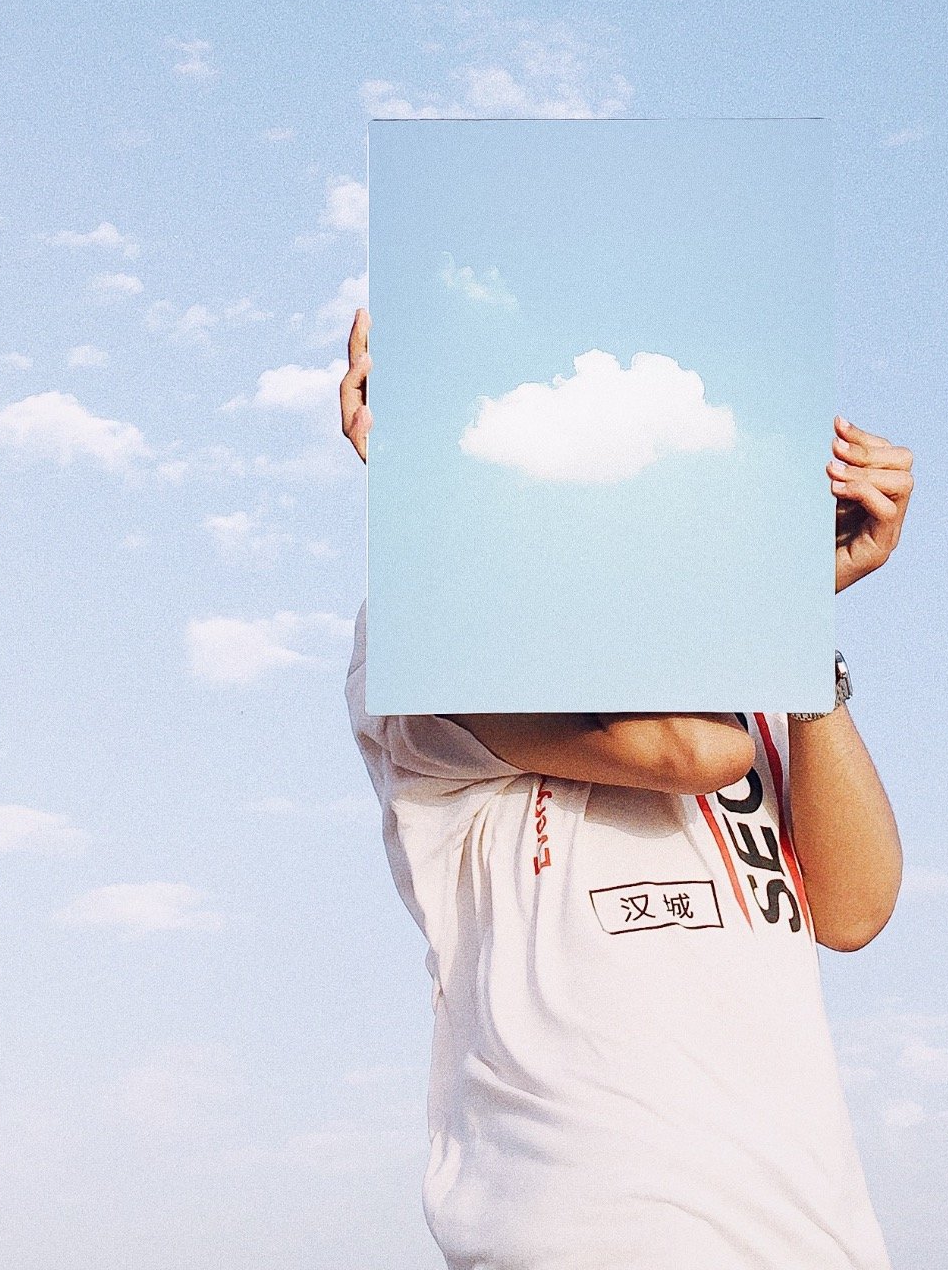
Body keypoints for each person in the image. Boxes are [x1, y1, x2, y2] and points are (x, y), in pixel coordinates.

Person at [340, 307, 912, 1270]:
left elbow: (853, 909)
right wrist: (432, 481)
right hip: (593, 1230)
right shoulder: (430, 623)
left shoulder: (732, 658)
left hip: (811, 1237)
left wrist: (793, 624)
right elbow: (685, 752)